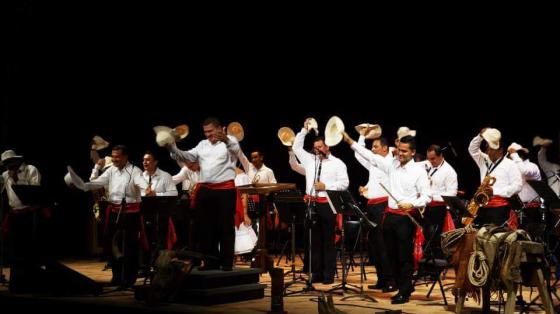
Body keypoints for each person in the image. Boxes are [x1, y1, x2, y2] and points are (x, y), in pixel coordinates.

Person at [343, 133, 430, 304]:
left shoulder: (418, 172)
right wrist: (350, 141)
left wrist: (411, 203)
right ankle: (402, 284)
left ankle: (404, 291)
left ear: (413, 152)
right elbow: (370, 156)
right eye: (399, 150)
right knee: (390, 255)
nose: (400, 153)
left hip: (405, 218)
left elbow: (427, 196)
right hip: (389, 215)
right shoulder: (392, 165)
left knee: (403, 255)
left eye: (404, 151)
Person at [166, 117, 242, 271]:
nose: (208, 135)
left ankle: (227, 262)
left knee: (225, 227)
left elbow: (236, 150)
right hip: (206, 191)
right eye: (205, 132)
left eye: (210, 131)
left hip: (225, 190)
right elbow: (186, 156)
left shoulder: (229, 141)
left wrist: (226, 138)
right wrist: (171, 146)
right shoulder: (202, 145)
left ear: (220, 129)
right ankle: (210, 261)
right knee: (206, 228)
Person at [293, 118, 349, 285]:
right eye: (315, 148)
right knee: (314, 241)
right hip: (313, 203)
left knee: (328, 241)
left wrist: (326, 186)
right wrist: (304, 130)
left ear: (327, 147)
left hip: (328, 204)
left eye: (320, 147)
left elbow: (345, 183)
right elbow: (296, 147)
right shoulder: (311, 160)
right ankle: (316, 273)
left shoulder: (338, 163)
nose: (317, 150)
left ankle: (328, 275)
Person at [89, 145, 148, 287]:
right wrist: (83, 184)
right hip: (114, 210)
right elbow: (95, 183)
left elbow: (143, 186)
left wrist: (146, 189)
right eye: (113, 156)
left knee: (130, 246)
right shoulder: (111, 171)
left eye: (117, 156)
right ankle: (116, 276)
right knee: (109, 244)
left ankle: (129, 278)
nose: (114, 159)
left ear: (125, 157)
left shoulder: (135, 171)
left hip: (131, 213)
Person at [352, 132, 394, 292]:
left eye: (375, 147)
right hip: (372, 206)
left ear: (385, 149)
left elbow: (365, 154)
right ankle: (381, 279)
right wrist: (362, 137)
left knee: (383, 245)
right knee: (374, 246)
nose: (373, 149)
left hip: (383, 206)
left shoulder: (389, 162)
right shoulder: (375, 164)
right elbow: (359, 155)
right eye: (372, 147)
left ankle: (391, 280)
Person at [468, 128, 522, 226]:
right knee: (480, 237)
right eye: (487, 149)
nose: (488, 152)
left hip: (500, 208)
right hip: (482, 206)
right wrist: (480, 136)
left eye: (492, 149)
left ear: (501, 150)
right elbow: (472, 149)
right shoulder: (484, 160)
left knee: (496, 239)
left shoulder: (511, 164)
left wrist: (495, 191)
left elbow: (518, 186)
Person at [418, 144, 458, 258]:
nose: (430, 161)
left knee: (432, 239)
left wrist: (431, 196)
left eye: (433, 159)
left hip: (437, 209)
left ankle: (434, 269)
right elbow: (413, 166)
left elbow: (452, 194)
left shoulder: (449, 172)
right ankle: (421, 265)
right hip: (423, 206)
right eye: (428, 158)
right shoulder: (427, 163)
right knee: (421, 237)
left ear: (441, 156)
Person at [507, 143, 542, 231]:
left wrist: (513, 154)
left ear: (519, 156)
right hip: (518, 208)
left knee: (528, 239)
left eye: (511, 157)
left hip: (532, 209)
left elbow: (524, 171)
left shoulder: (532, 166)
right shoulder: (515, 169)